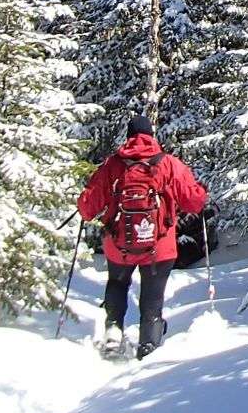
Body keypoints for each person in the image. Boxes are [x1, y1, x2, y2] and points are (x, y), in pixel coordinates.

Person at [76, 114, 207, 358]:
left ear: (128, 136)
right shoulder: (168, 163)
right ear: (151, 136)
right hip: (159, 245)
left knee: (117, 283)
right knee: (153, 294)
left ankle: (113, 333)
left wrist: (82, 202)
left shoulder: (112, 164)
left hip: (119, 245)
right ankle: (149, 343)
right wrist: (202, 193)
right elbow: (193, 202)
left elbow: (88, 207)